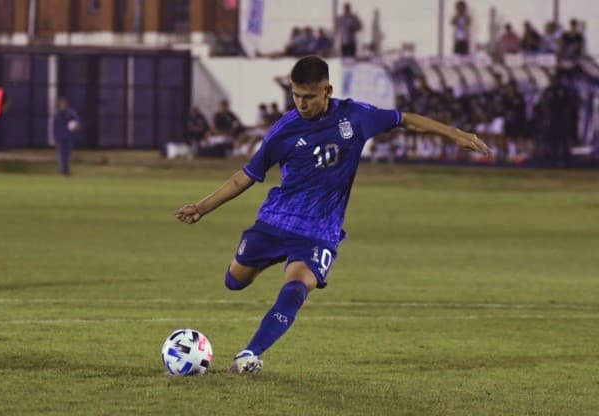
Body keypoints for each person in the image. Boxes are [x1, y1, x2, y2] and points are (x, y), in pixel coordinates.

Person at [174, 55, 490, 374]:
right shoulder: (284, 131)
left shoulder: (355, 117)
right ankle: (256, 270)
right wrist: (202, 206)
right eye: (296, 95)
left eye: (309, 96)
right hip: (275, 221)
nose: (301, 103)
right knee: (234, 282)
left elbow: (404, 118)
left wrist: (457, 134)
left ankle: (249, 354)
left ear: (328, 90)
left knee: (296, 289)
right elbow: (246, 175)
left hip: (319, 231)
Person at [52, 97, 81, 176]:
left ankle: (66, 169)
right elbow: (54, 127)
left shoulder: (71, 114)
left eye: (63, 104)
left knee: (67, 154)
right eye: (60, 104)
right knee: (61, 154)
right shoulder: (56, 115)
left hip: (69, 137)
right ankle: (63, 170)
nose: (62, 105)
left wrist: (76, 126)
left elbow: (78, 123)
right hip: (60, 138)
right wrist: (55, 137)